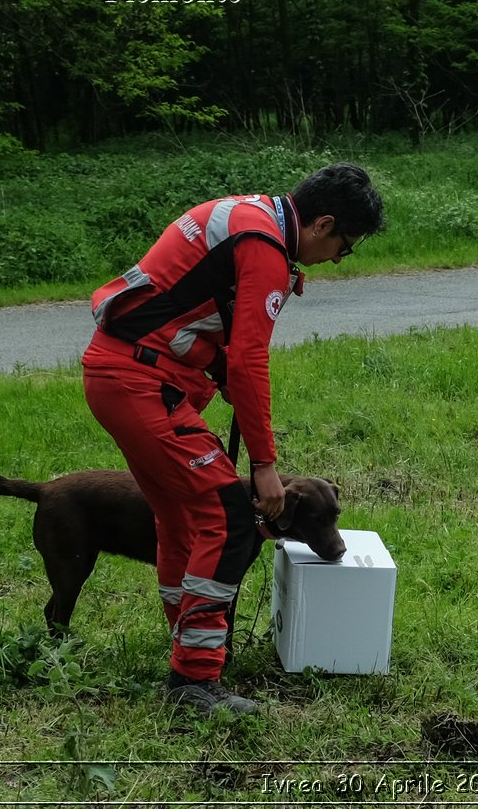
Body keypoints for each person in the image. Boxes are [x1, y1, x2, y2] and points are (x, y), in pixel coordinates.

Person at [81, 162, 385, 715]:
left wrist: (215, 368)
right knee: (231, 515)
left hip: (122, 375)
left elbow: (188, 307)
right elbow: (248, 360)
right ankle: (195, 683)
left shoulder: (249, 215)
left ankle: (192, 648)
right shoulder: (265, 246)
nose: (340, 258)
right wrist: (264, 464)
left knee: (182, 517)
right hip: (141, 383)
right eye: (346, 245)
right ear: (322, 224)